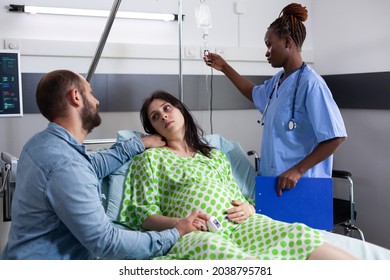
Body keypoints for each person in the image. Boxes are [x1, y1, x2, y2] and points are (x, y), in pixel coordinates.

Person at [118, 90, 357, 260]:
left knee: (297, 234)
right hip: (196, 234)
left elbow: (239, 197)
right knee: (229, 257)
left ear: (180, 110)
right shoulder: (150, 159)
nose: (163, 116)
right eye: (155, 117)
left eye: (166, 108)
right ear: (153, 129)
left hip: (240, 226)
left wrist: (250, 209)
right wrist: (180, 225)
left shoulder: (214, 155)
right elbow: (142, 215)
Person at [1, 70, 205, 260]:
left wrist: (138, 144)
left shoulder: (40, 144)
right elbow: (107, 242)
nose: (97, 101)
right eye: (91, 93)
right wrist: (176, 232)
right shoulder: (66, 165)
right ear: (76, 97)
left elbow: (90, 165)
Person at [204, 3, 347, 196]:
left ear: (287, 42)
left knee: (300, 228)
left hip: (302, 185)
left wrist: (297, 170)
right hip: (273, 182)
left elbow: (335, 137)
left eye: (270, 44)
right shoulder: (278, 82)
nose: (266, 52)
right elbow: (253, 92)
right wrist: (224, 67)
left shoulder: (312, 84)